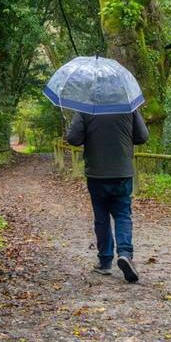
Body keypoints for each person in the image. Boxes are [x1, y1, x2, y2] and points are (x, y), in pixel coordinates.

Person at [65, 109, 149, 283]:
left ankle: (104, 262)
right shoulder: (128, 106)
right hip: (122, 172)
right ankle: (125, 254)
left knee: (101, 217)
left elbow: (73, 139)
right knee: (123, 214)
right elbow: (142, 137)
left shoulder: (86, 107)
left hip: (96, 173)